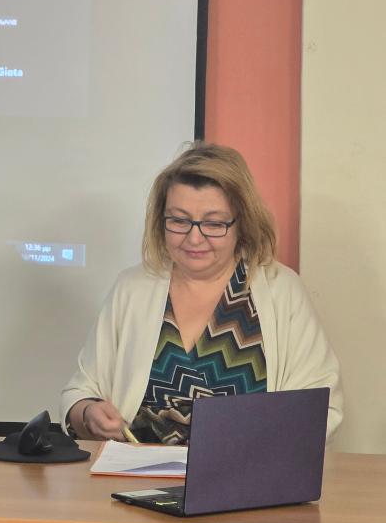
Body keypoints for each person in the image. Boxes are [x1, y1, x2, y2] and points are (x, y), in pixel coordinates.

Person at [62, 142, 342, 444]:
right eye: (179, 220)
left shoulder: (282, 290)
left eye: (213, 223)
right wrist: (88, 413)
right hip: (136, 472)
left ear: (242, 223)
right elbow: (81, 393)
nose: (194, 238)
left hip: (246, 471)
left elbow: (322, 407)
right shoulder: (131, 288)